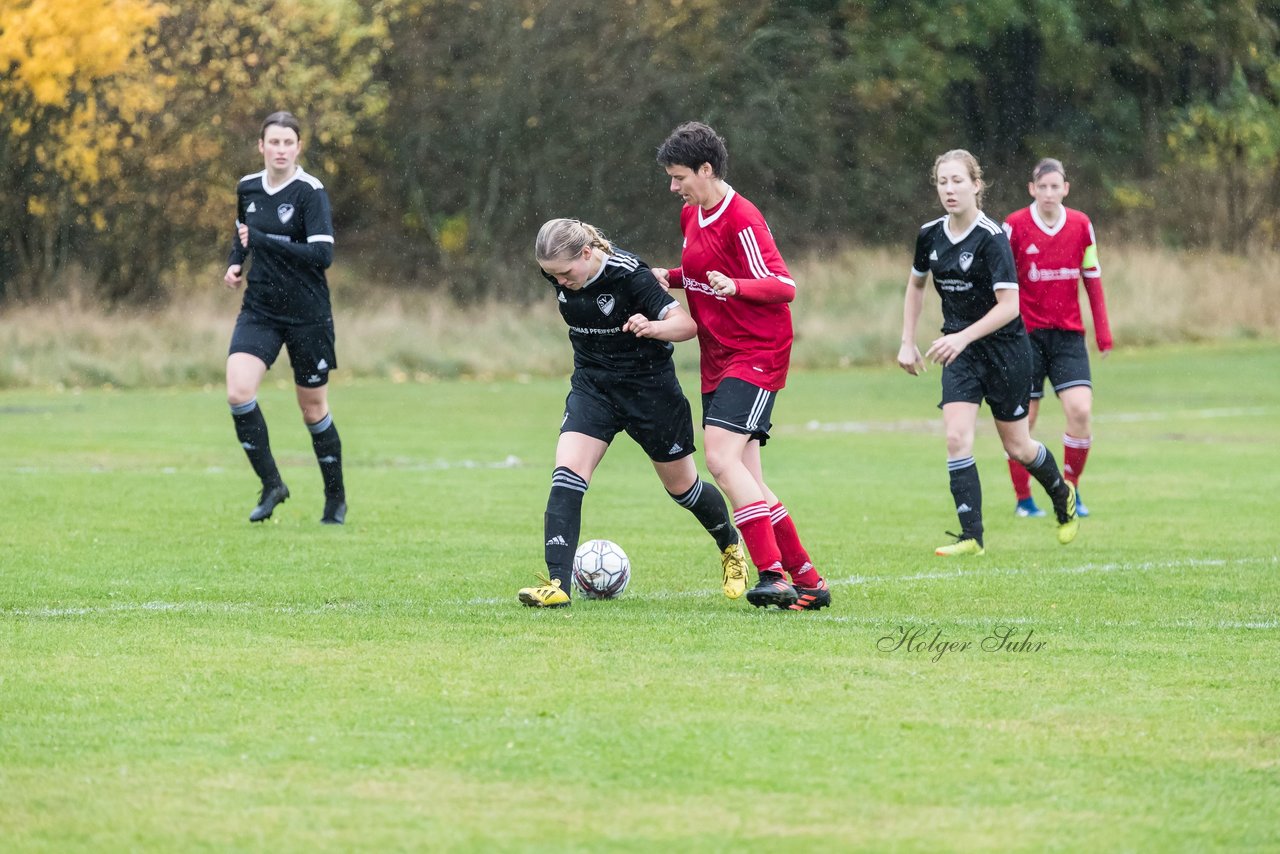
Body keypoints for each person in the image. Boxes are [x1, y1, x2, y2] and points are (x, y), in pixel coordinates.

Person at [517, 218, 749, 608]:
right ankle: (557, 584)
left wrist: (653, 327)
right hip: (594, 389)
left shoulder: (630, 274)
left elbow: (686, 325)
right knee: (566, 476)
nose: (559, 281)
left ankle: (729, 544)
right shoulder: (561, 274)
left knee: (684, 490)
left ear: (587, 254)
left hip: (650, 392)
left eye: (565, 271)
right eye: (550, 274)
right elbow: (564, 276)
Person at [651, 121, 830, 611]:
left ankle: (771, 573)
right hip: (719, 356)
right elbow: (695, 272)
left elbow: (783, 285)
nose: (674, 187)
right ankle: (809, 580)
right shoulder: (694, 216)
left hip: (757, 353)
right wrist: (665, 277)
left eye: (679, 176)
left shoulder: (742, 217)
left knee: (720, 460)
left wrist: (737, 286)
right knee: (748, 475)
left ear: (706, 170)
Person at [897, 149, 1079, 556]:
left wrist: (962, 337)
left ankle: (1059, 491)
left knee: (1018, 447)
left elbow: (1009, 307)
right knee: (957, 436)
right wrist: (908, 341)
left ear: (976, 185)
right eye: (942, 182)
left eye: (958, 181)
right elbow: (916, 285)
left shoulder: (992, 237)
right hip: (959, 354)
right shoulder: (929, 234)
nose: (949, 189)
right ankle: (972, 536)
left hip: (1006, 352)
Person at [223, 111, 346, 525]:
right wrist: (236, 264)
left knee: (312, 409)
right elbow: (242, 233)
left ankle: (335, 498)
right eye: (272, 142)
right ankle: (272, 483)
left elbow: (322, 256)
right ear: (261, 146)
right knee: (239, 392)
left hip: (308, 315)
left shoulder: (311, 192)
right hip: (260, 309)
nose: (280, 149)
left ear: (298, 148)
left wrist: (261, 242)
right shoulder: (247, 187)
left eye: (287, 143)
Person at [1001, 158, 1112, 519]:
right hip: (1024, 338)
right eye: (1042, 187)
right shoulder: (1014, 227)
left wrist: (1103, 331)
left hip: (1068, 338)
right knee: (1025, 420)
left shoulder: (1081, 225)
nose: (1049, 193)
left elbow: (1092, 279)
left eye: (1055, 186)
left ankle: (1071, 489)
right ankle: (1024, 499)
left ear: (1066, 188)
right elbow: (998, 283)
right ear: (1032, 189)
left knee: (1080, 411)